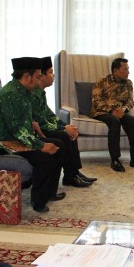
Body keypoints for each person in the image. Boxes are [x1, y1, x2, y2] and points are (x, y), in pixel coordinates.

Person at [0, 57, 65, 213]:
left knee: (59, 145)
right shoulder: (8, 94)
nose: (39, 81)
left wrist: (33, 123)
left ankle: (49, 193)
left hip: (21, 138)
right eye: (37, 77)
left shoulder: (24, 91)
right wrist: (41, 145)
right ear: (27, 76)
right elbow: (15, 130)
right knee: (44, 157)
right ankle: (38, 201)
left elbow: (24, 119)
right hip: (5, 143)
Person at [33, 56, 95, 187]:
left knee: (69, 132)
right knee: (64, 135)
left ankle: (74, 173)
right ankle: (70, 176)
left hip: (44, 127)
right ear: (41, 76)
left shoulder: (40, 93)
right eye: (50, 72)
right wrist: (63, 129)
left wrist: (65, 125)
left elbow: (50, 116)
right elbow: (41, 122)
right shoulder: (34, 94)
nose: (53, 75)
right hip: (37, 131)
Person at [91, 57, 134, 172]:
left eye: (128, 69)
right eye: (125, 69)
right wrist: (111, 111)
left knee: (133, 121)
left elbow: (130, 101)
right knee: (114, 121)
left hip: (121, 112)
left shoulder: (128, 83)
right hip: (102, 112)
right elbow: (96, 101)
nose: (128, 72)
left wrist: (124, 110)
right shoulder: (102, 81)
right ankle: (115, 159)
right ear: (115, 71)